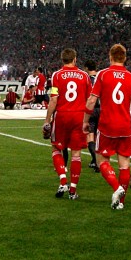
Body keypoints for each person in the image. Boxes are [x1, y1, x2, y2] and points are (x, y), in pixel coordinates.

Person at [82, 44, 131, 210]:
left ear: (110, 57)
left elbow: (91, 100)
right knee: (124, 164)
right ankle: (121, 202)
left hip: (107, 126)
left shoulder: (103, 75)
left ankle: (116, 187)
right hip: (125, 126)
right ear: (124, 58)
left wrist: (85, 121)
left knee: (101, 160)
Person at [44, 48, 91, 200]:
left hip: (62, 116)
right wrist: (87, 119)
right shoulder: (84, 76)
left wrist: (47, 120)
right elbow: (89, 100)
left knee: (56, 148)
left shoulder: (57, 75)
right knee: (76, 153)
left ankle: (63, 180)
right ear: (75, 59)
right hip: (79, 116)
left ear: (62, 59)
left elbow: (53, 99)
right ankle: (72, 191)